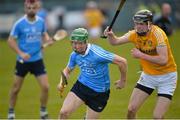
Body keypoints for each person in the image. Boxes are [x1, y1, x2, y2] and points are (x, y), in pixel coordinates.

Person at [104, 9, 177, 119]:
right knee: (131, 109)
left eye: (141, 24)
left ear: (149, 24)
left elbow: (163, 59)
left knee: (158, 116)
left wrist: (141, 55)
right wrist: (110, 35)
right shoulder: (134, 34)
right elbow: (115, 42)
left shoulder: (158, 35)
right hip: (148, 76)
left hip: (167, 77)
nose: (138, 27)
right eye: (136, 24)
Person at [57, 28, 127, 119]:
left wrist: (122, 81)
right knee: (64, 112)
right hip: (82, 86)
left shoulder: (97, 54)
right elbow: (67, 70)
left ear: (86, 42)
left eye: (80, 43)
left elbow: (122, 62)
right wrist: (61, 82)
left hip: (100, 92)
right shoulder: (74, 55)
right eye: (74, 43)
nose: (77, 46)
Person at [7, 0, 53, 119]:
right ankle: (11, 112)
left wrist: (47, 39)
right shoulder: (19, 23)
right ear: (25, 8)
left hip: (37, 60)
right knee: (16, 88)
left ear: (37, 8)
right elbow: (10, 40)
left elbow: (44, 34)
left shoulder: (41, 22)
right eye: (28, 8)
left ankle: (43, 112)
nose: (31, 10)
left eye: (33, 8)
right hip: (23, 61)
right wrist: (21, 53)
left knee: (46, 87)